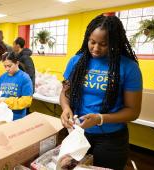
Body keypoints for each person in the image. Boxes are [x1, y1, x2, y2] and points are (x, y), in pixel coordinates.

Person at [60, 14, 143, 170]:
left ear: (114, 42)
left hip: (110, 141)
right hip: (78, 134)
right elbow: (65, 93)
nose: (96, 48)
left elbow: (133, 111)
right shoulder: (76, 61)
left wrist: (100, 118)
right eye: (92, 42)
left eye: (103, 44)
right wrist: (66, 108)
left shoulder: (128, 67)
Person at [0, 52, 33, 120]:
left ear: (17, 63)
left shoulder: (25, 78)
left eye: (9, 66)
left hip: (16, 117)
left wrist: (6, 101)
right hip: (1, 115)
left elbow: (27, 101)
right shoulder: (2, 77)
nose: (7, 69)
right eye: (5, 66)